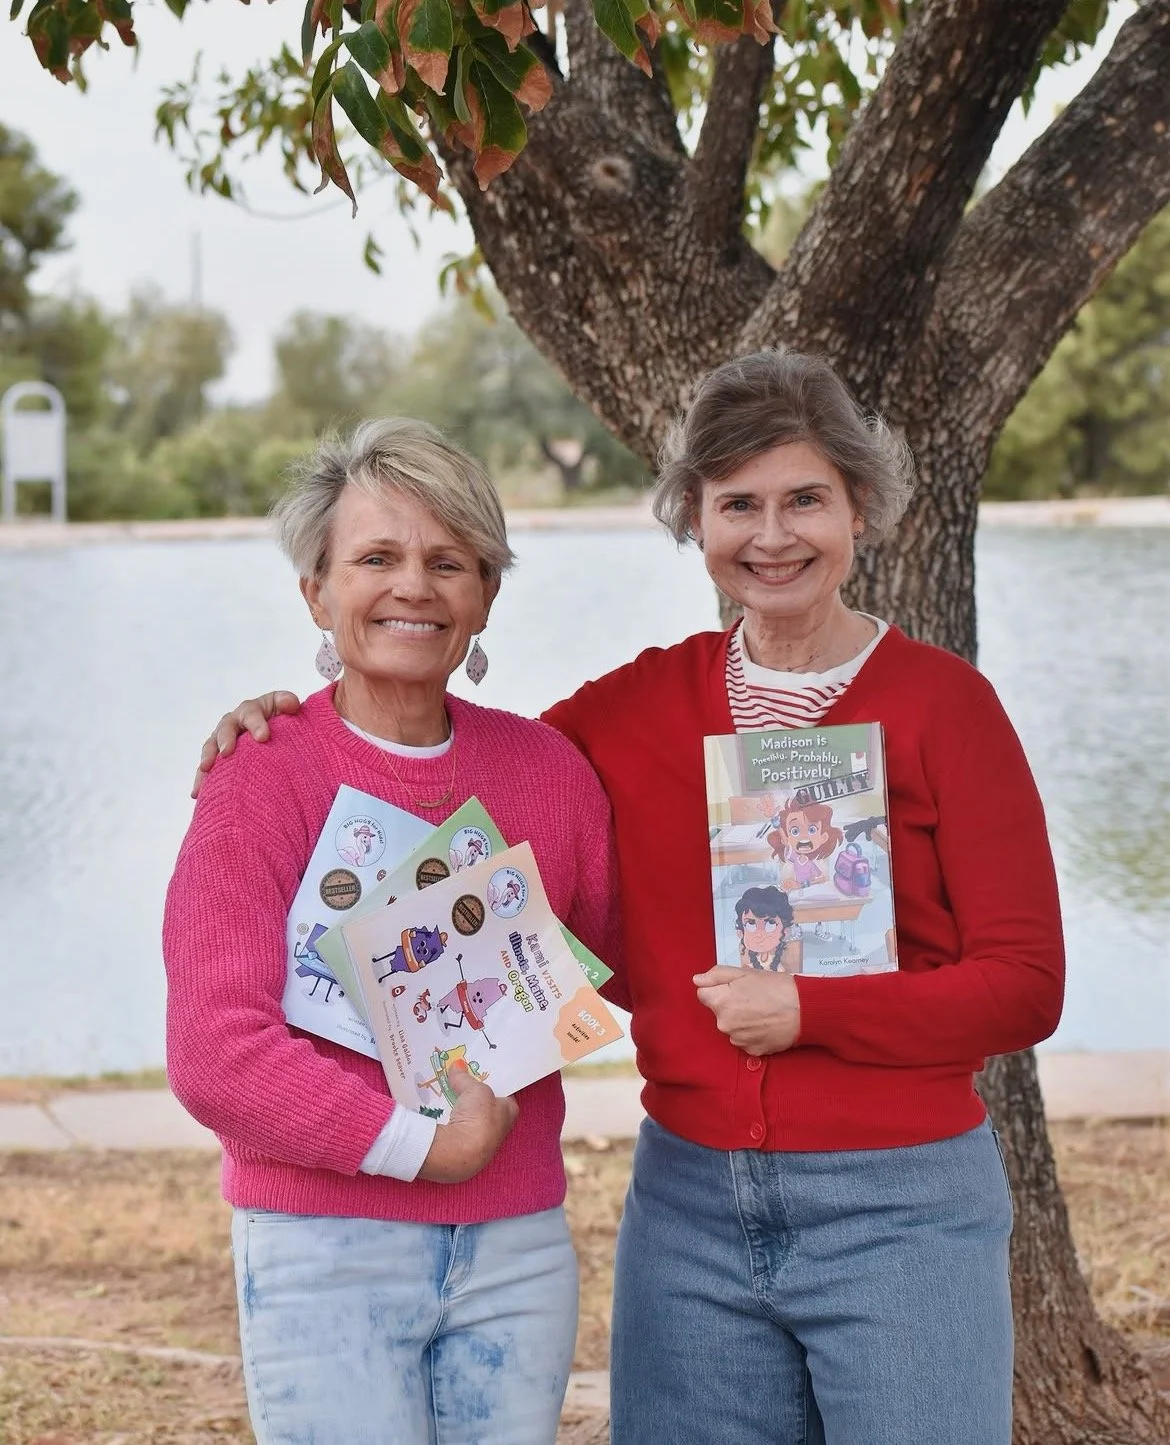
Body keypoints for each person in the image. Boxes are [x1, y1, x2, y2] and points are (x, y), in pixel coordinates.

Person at [193, 351, 1065, 1445]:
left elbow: (1026, 985)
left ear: (861, 508)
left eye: (806, 499)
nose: (773, 534)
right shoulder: (631, 710)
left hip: (902, 1203)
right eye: (737, 503)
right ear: (694, 522)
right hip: (692, 1208)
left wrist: (816, 1013)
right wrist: (286, 725)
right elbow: (455, 764)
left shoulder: (948, 706)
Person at [164, 418, 620, 1445]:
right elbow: (213, 1054)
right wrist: (424, 1145)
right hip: (326, 1247)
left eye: (447, 560)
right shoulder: (261, 773)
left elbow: (599, 968)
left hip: (516, 1249)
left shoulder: (548, 772)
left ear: (485, 595)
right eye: (377, 557)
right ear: (316, 591)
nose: (413, 585)